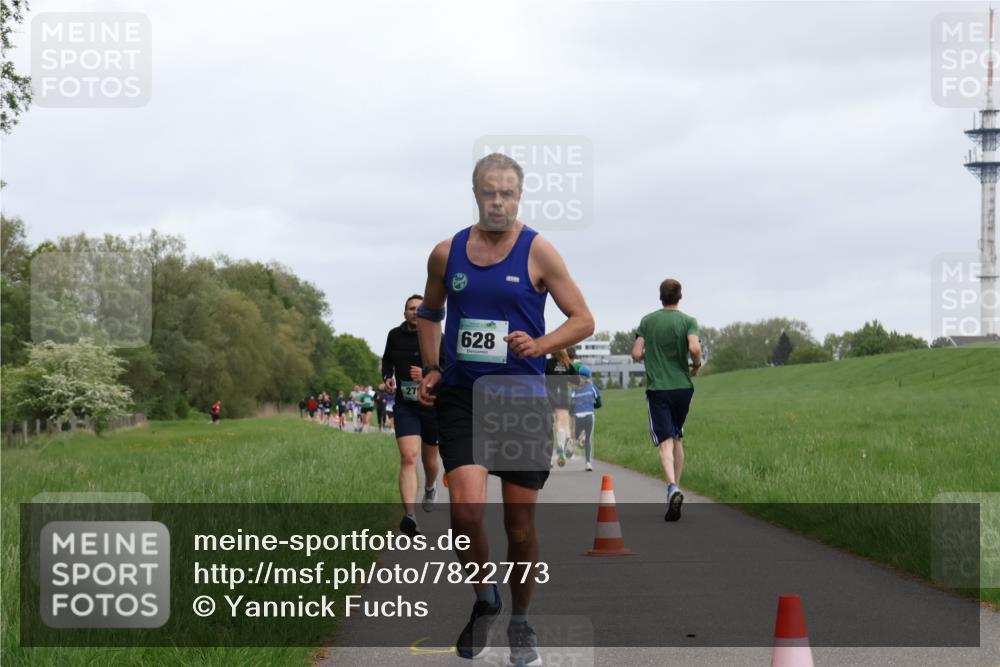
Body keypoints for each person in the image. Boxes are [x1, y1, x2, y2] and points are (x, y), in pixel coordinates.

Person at [416, 153, 594, 664]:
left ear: (519, 196)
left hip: (518, 400)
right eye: (489, 193)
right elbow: (430, 312)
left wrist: (540, 345)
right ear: (476, 195)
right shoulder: (445, 253)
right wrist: (432, 366)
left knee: (519, 526)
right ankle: (484, 598)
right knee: (466, 509)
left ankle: (521, 621)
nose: (498, 202)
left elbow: (583, 319)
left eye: (507, 194)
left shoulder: (540, 252)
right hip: (463, 396)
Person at [631, 278, 701, 522]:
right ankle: (676, 488)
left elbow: (636, 353)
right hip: (683, 387)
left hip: (659, 389)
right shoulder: (688, 321)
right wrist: (696, 365)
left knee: (665, 442)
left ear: (661, 297)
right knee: (677, 436)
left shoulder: (648, 321)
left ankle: (672, 487)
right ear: (680, 296)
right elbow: (694, 348)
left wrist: (652, 354)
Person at [382, 294, 442, 538]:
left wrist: (426, 375)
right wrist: (387, 376)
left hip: (431, 406)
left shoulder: (436, 336)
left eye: (420, 309)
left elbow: (448, 369)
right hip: (405, 405)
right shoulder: (394, 336)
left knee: (430, 462)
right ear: (404, 312)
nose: (415, 312)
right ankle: (410, 516)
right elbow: (387, 360)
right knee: (409, 457)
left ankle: (430, 486)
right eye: (410, 308)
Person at [545, 348, 578, 467]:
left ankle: (549, 459)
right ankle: (563, 444)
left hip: (549, 396)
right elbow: (577, 380)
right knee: (563, 422)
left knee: (549, 426)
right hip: (563, 396)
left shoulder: (547, 363)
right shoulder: (566, 363)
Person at [571, 366, 602, 471]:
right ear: (589, 377)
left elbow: (571, 404)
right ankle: (588, 463)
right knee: (588, 439)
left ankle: (569, 452)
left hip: (578, 416)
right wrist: (594, 406)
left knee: (575, 437)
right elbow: (599, 402)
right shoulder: (592, 387)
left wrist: (573, 414)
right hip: (589, 415)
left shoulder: (575, 389)